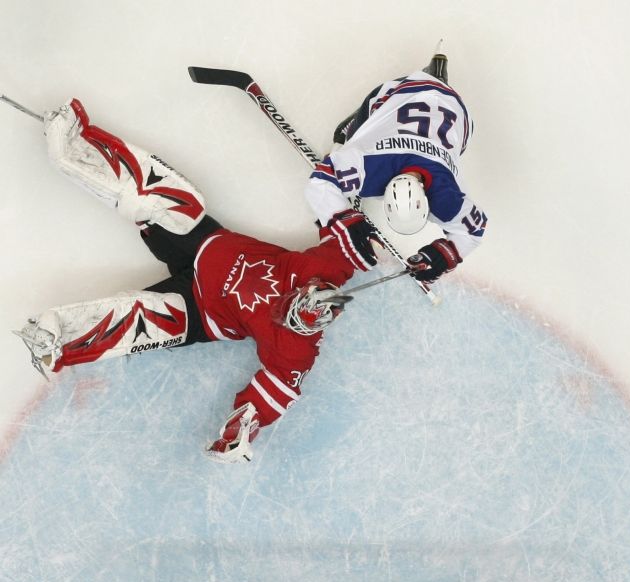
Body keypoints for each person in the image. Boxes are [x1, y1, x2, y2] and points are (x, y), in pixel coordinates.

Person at [15, 98, 358, 463]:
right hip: (203, 243)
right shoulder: (325, 267)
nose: (289, 306)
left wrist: (241, 429)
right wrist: (414, 249)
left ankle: (56, 338)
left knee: (140, 318)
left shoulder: (296, 349)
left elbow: (275, 393)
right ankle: (74, 143)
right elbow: (354, 239)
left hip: (200, 312)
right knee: (175, 201)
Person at [304, 50, 487, 286]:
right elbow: (474, 229)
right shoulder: (375, 169)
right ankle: (348, 135)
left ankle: (436, 75)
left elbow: (321, 182)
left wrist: (341, 219)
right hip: (433, 101)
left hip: (446, 107)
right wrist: (343, 223)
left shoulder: (374, 168)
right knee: (348, 143)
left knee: (353, 147)